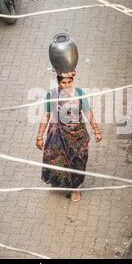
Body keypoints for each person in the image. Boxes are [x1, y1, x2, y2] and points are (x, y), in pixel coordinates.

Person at [36, 73, 102, 202]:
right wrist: (39, 136)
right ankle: (59, 180)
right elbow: (46, 115)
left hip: (77, 135)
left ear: (73, 81)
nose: (66, 85)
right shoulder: (52, 95)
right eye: (63, 83)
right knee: (56, 159)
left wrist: (96, 130)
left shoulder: (80, 93)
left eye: (69, 82)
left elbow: (88, 113)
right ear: (58, 82)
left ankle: (74, 188)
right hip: (58, 134)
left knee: (78, 162)